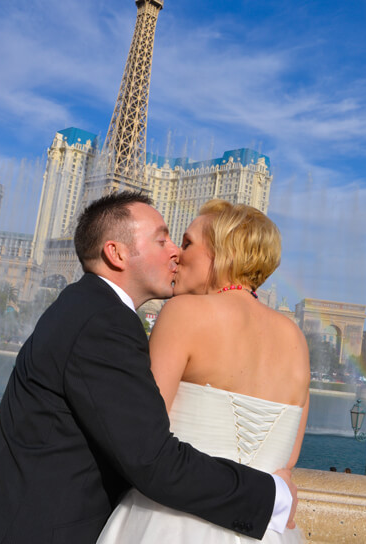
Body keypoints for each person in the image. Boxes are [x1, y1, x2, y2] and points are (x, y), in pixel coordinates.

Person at [0, 192, 294, 544]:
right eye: (162, 239)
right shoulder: (103, 321)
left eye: (180, 241)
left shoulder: (89, 308)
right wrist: (272, 496)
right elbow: (151, 458)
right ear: (117, 253)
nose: (175, 251)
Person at [97, 199, 310, 543]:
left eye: (187, 242)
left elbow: (143, 437)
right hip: (262, 530)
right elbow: (288, 458)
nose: (177, 255)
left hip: (169, 523)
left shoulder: (184, 313)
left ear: (222, 252)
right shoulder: (296, 340)